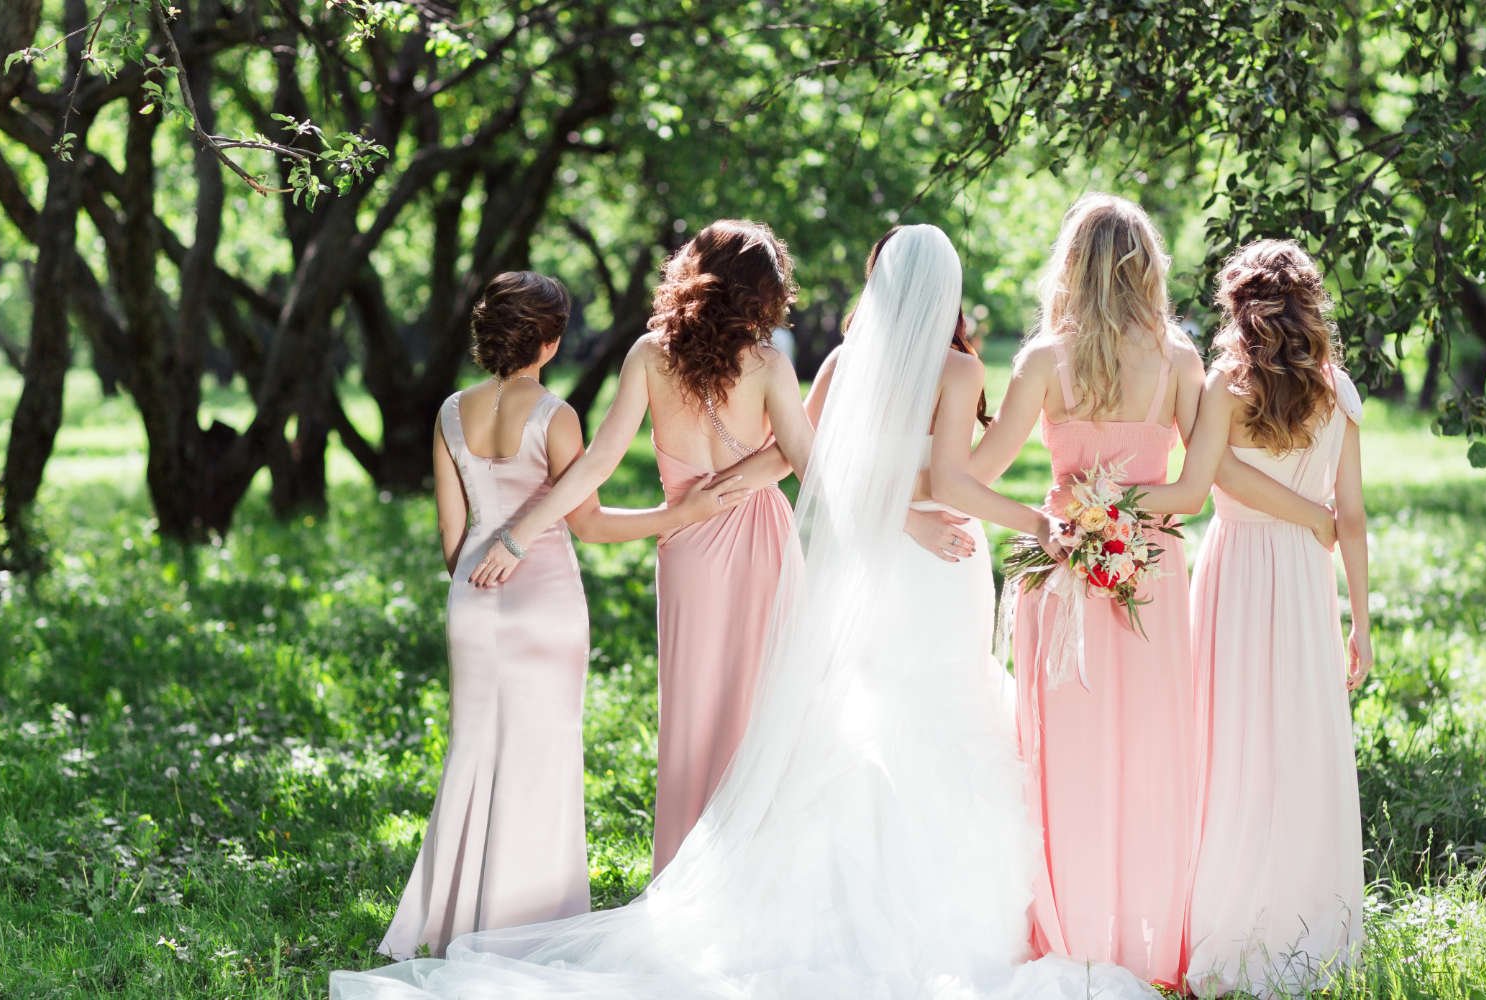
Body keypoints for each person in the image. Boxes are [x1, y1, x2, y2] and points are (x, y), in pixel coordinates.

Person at [332, 226, 1157, 1000]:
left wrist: (517, 529)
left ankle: (690, 872)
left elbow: (602, 468)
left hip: (688, 545)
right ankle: (722, 870)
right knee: (767, 712)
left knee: (712, 711)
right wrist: (904, 516)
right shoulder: (773, 363)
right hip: (767, 539)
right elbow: (816, 468)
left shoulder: (663, 354)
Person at [963, 195, 1332, 989]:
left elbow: (968, 478)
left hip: (1061, 571)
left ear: (1071, 266)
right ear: (1147, 269)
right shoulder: (1177, 360)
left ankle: (1068, 933)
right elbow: (1194, 490)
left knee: (1063, 758)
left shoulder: (1041, 362)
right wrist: (1124, 508)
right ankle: (1150, 943)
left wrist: (1053, 515)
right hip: (1152, 577)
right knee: (1155, 756)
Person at [381, 271, 744, 958]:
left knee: (475, 750)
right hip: (545, 602)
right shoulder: (556, 416)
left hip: (472, 602)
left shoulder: (451, 413)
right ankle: (531, 919)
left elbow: (453, 545)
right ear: (548, 343)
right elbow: (592, 525)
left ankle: (458, 916)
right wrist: (681, 514)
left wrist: (481, 571)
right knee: (543, 757)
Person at [1178, 239, 1369, 997]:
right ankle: (1302, 926)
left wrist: (1316, 525)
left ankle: (1233, 919)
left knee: (1232, 734)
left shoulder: (1226, 384)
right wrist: (1360, 618)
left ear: (1238, 307)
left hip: (1236, 567)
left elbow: (1214, 474)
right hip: (1299, 574)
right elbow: (1349, 517)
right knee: (1296, 737)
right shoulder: (1337, 391)